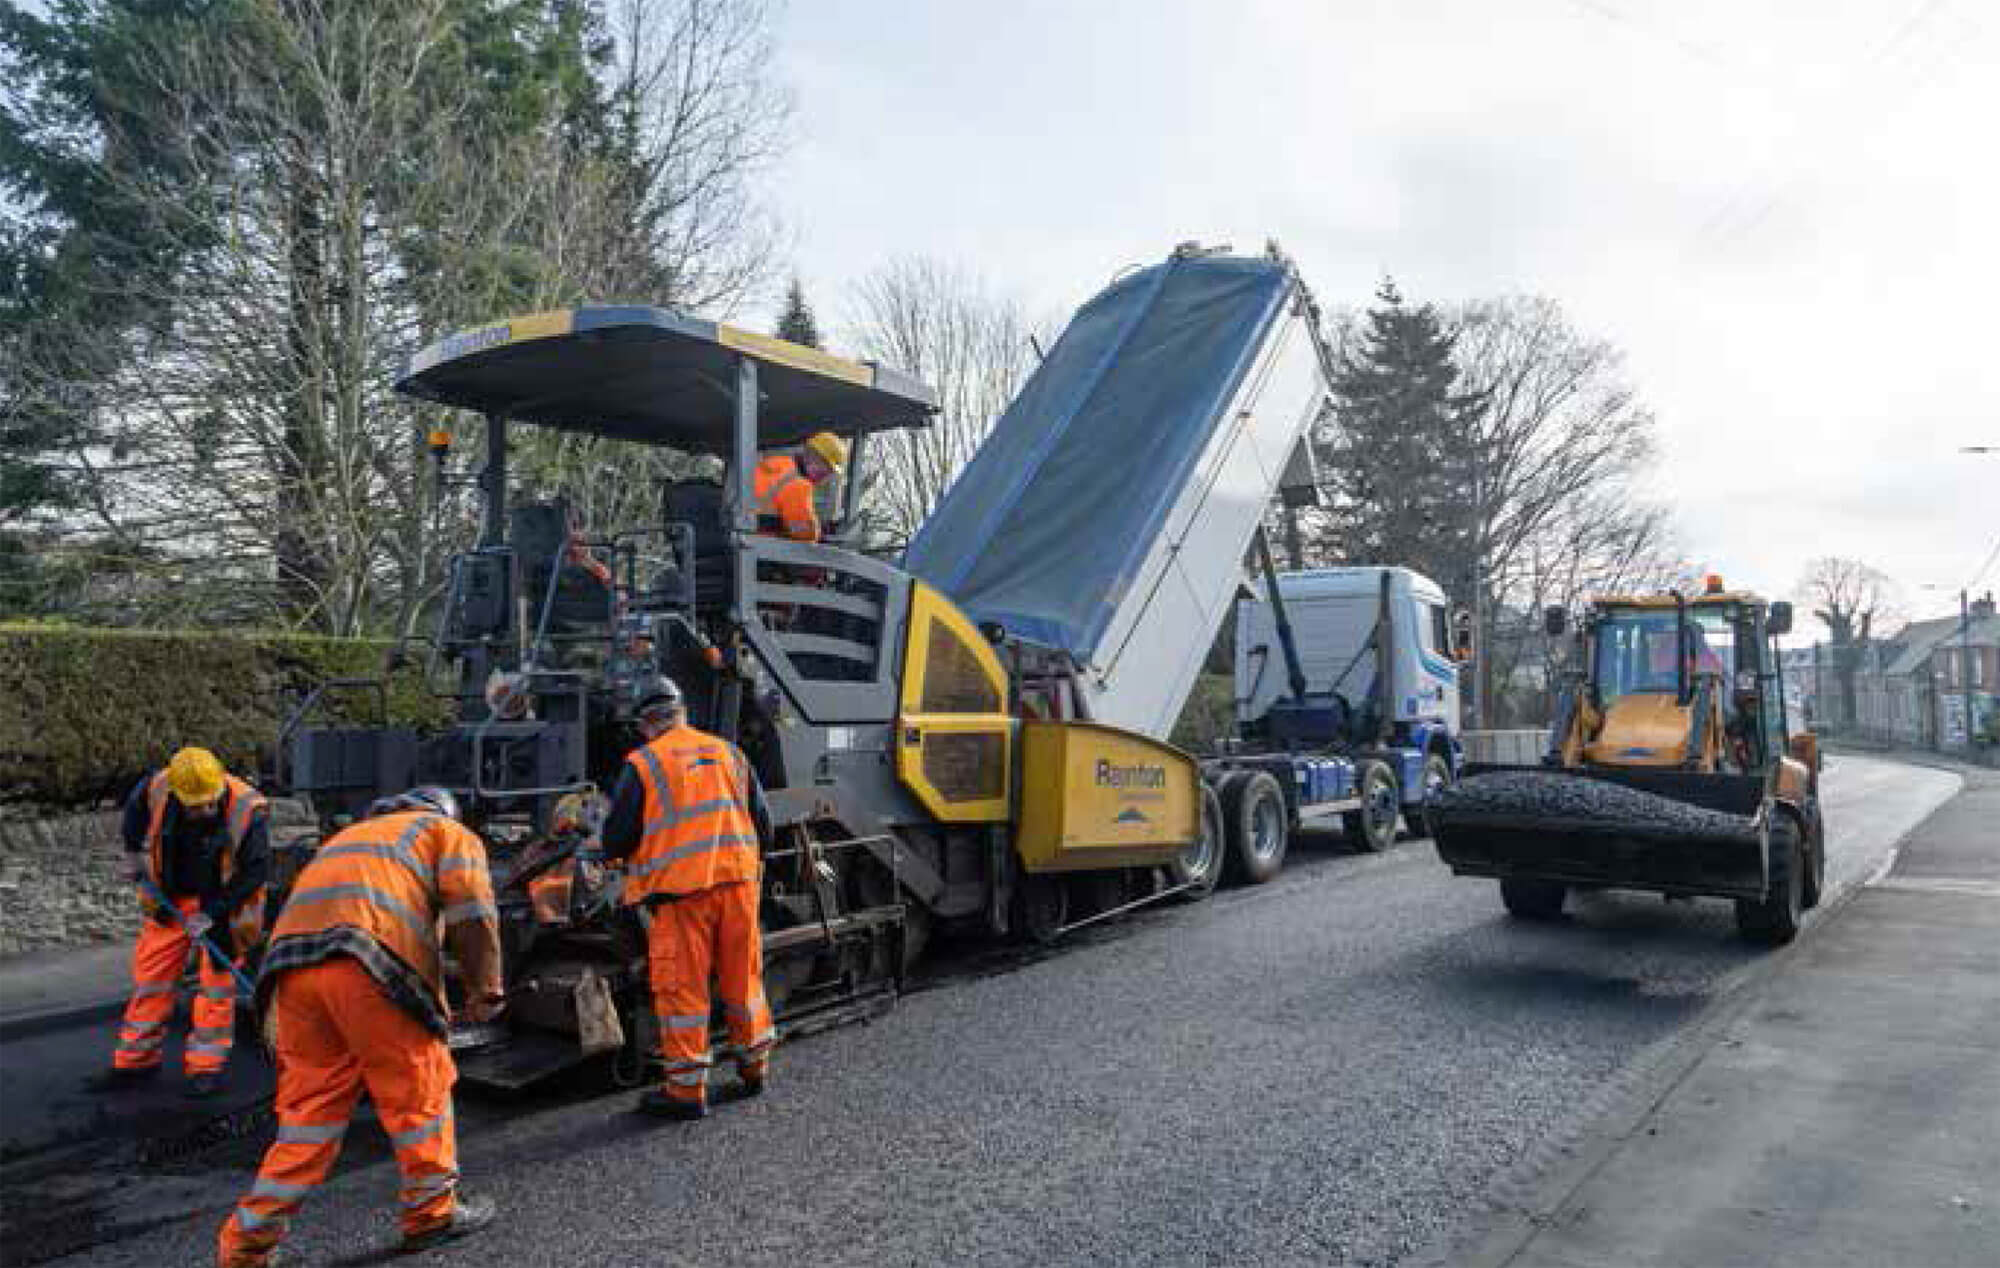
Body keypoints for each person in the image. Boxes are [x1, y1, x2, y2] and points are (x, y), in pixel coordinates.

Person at [215, 788, 504, 1267]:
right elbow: (472, 911)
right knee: (418, 1092)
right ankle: (432, 1214)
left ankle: (246, 1246)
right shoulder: (444, 832)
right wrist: (484, 989)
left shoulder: (347, 839)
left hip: (290, 973)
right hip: (366, 963)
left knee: (309, 1116)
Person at [599, 676, 774, 1120]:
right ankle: (755, 1068)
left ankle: (685, 1091)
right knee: (743, 982)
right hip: (738, 887)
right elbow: (763, 824)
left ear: (645, 724)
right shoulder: (728, 752)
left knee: (683, 993)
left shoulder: (644, 764)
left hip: (682, 897)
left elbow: (616, 840)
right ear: (682, 712)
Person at [90, 746, 270, 1099]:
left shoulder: (249, 809)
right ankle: (135, 1061)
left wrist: (211, 913)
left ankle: (205, 1068)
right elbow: (134, 812)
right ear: (176, 793)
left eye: (209, 802)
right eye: (194, 805)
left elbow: (255, 871)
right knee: (151, 981)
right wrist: (131, 855)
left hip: (222, 906)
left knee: (215, 989)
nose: (204, 810)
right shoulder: (157, 787)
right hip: (171, 900)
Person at [750, 431, 846, 542]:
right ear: (814, 456)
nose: (826, 477)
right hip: (762, 547)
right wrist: (820, 532)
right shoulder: (798, 484)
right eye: (827, 469)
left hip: (744, 539)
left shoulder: (775, 464)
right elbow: (804, 534)